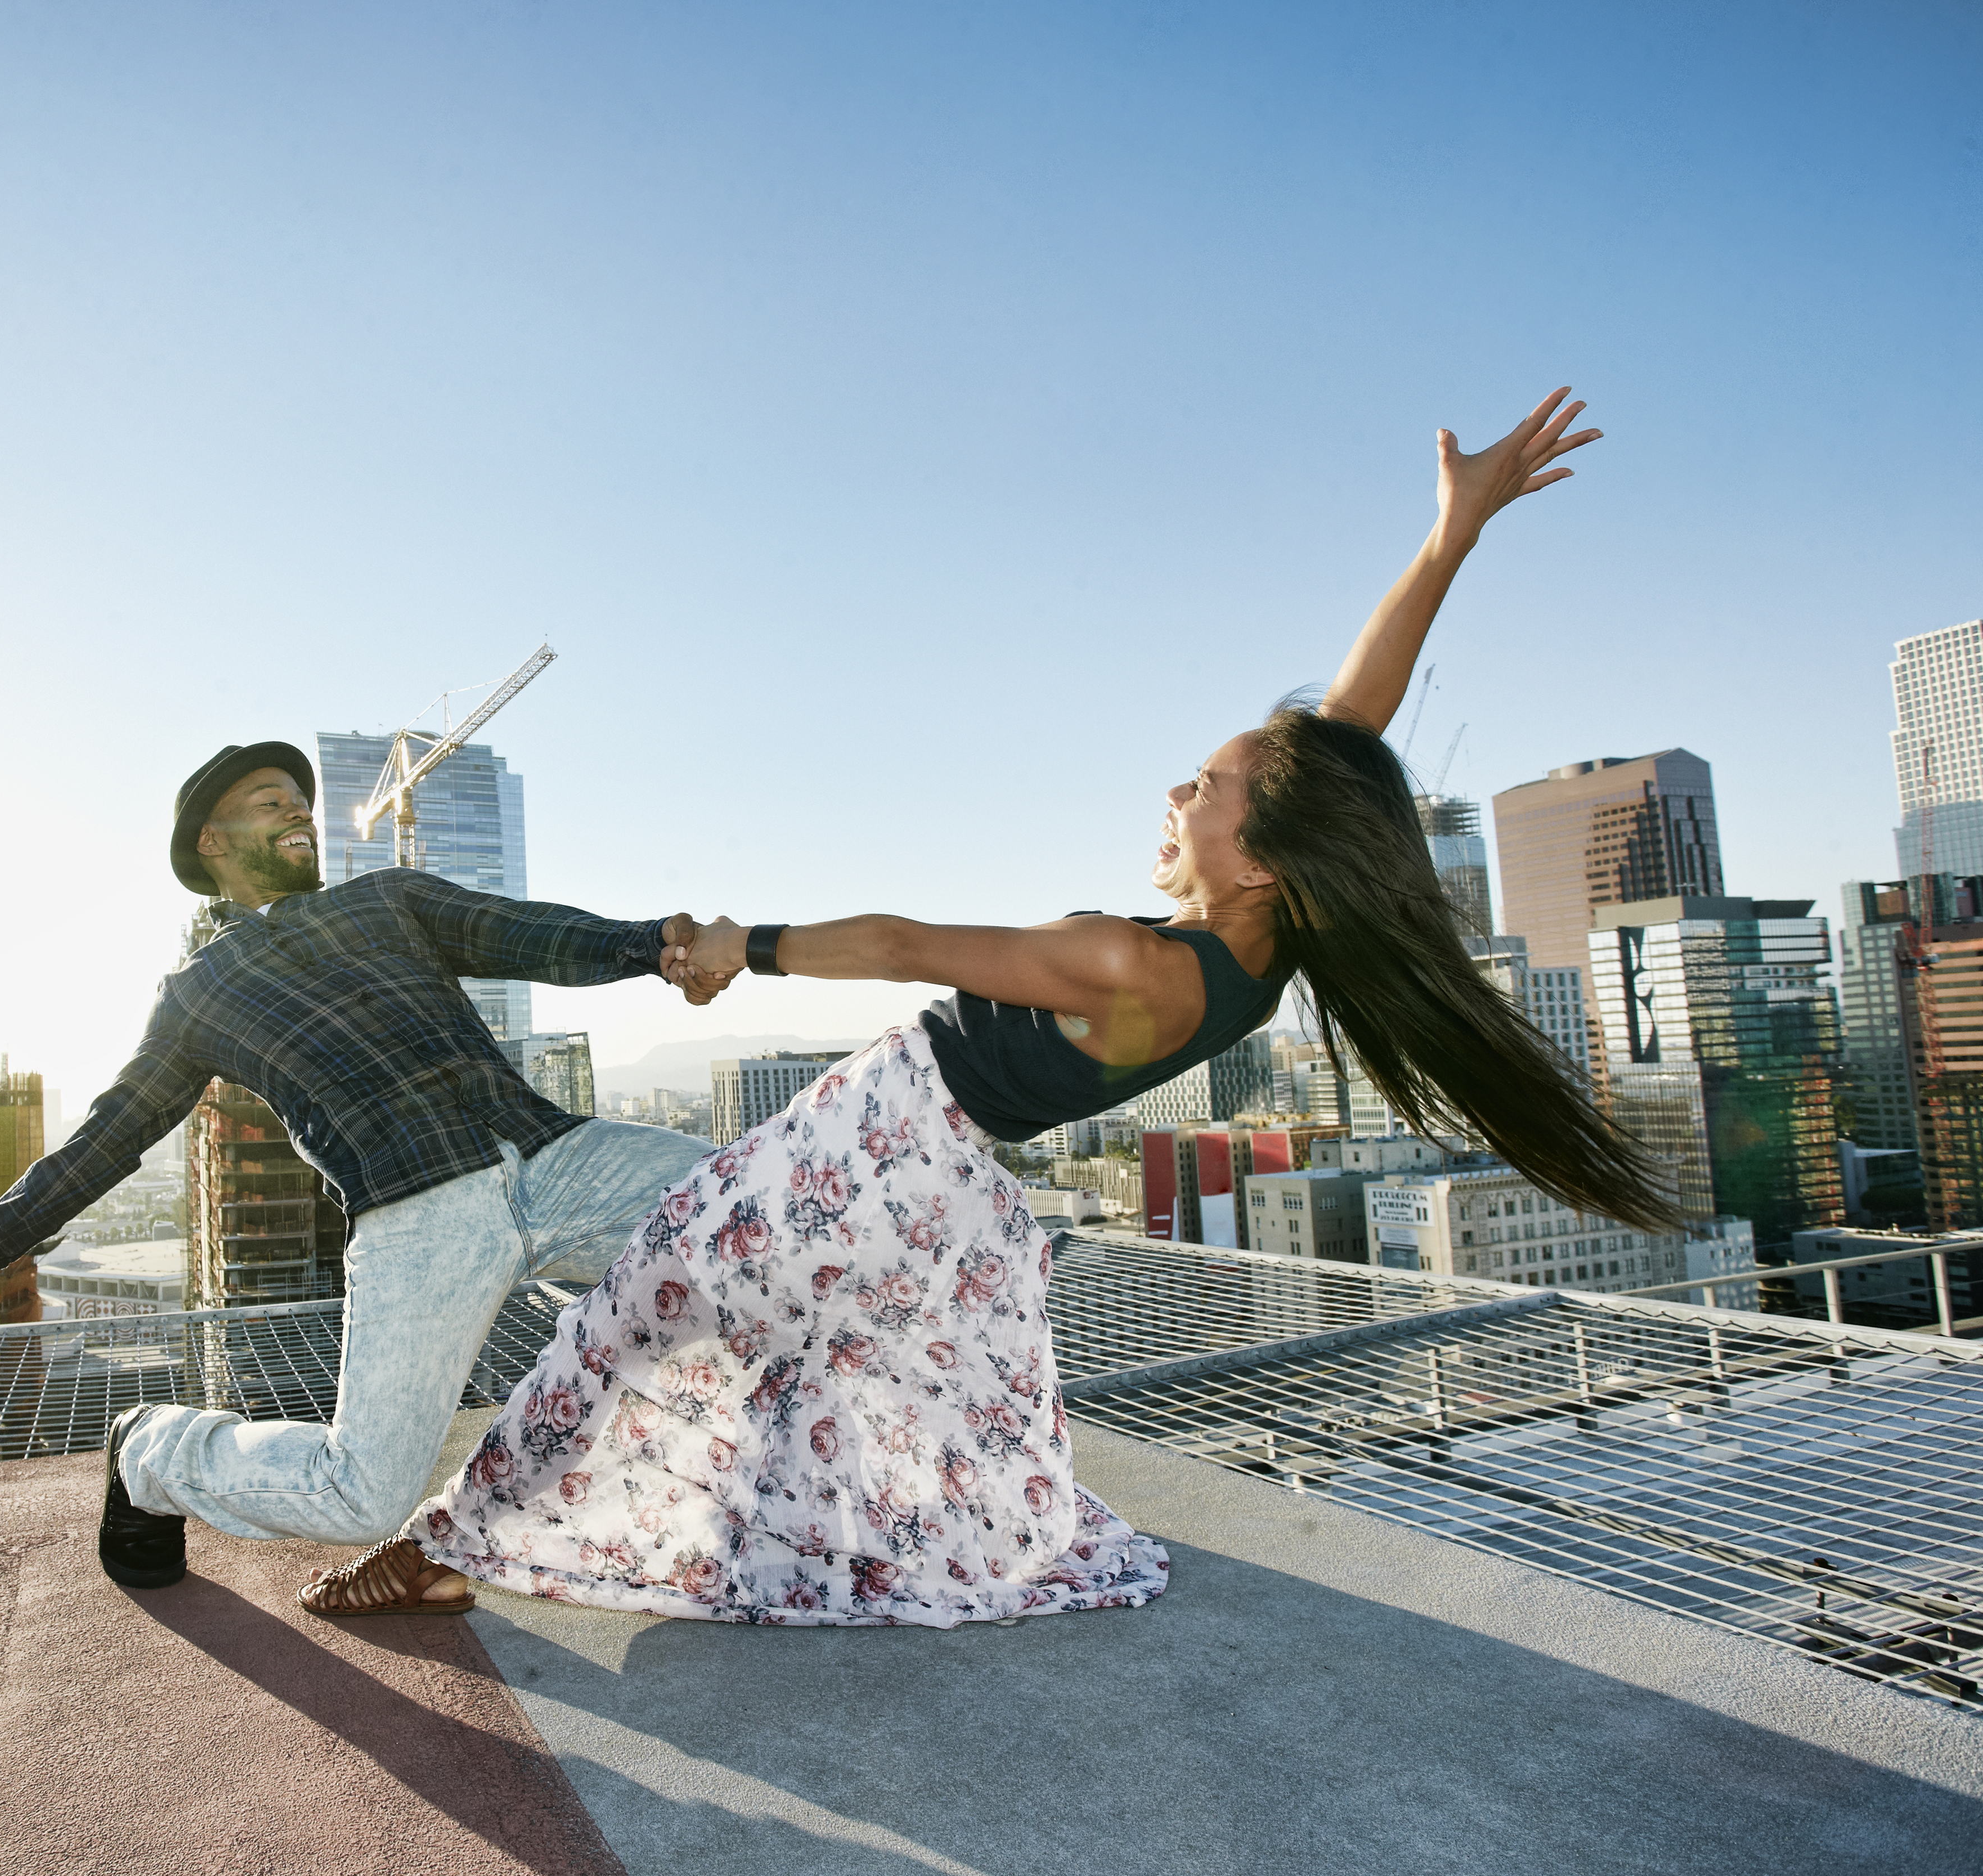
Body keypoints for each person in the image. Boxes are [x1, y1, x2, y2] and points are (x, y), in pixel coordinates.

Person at [300, 388, 1674, 1624]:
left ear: (1260, 852)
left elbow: (906, 939)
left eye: (1204, 786)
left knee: (630, 1317)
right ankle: (663, 1530)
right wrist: (1449, 541)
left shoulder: (1128, 964)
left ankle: (446, 1546)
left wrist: (743, 938)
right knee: (794, 1361)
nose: (1178, 793)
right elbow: (1346, 743)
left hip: (865, 1144)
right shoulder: (1264, 949)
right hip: (941, 1184)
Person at [0, 739, 735, 1590]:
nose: (300, 810)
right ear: (210, 844)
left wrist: (652, 944)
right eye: (271, 800)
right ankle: (151, 1448)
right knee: (359, 1496)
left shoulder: (386, 900)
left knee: (760, 1216)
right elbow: (106, 1139)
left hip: (559, 1158)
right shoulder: (200, 991)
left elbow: (524, 934)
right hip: (418, 1218)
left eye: (301, 799)